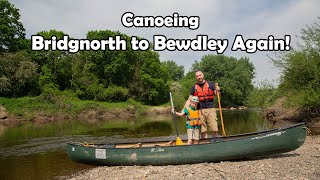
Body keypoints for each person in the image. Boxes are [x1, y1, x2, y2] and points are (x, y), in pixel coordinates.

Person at [183, 70, 220, 139]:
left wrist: (218, 90)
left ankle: (215, 143)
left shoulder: (211, 84)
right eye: (197, 76)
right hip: (200, 110)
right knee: (203, 130)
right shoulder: (194, 87)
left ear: (203, 75)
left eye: (200, 75)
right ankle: (204, 144)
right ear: (196, 77)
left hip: (211, 109)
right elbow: (189, 99)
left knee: (214, 128)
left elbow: (217, 95)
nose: (199, 77)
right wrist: (184, 109)